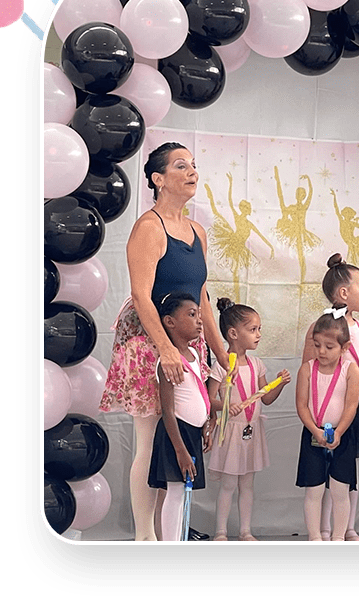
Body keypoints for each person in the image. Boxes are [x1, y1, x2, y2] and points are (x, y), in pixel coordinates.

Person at [99, 142, 231, 541]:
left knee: (175, 440)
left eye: (193, 165)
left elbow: (202, 297)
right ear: (158, 179)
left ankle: (167, 533)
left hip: (187, 347)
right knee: (149, 441)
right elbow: (142, 296)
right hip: (149, 345)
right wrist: (166, 349)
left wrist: (221, 350)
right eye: (180, 166)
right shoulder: (148, 228)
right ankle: (144, 537)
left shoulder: (198, 232)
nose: (191, 171)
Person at [301, 253, 359, 540]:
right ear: (344, 293)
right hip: (323, 411)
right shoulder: (318, 329)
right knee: (320, 474)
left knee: (347, 469)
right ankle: (321, 530)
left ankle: (347, 529)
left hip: (355, 406)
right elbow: (309, 371)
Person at [207, 298, 291, 541]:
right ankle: (220, 532)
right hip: (230, 433)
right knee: (228, 485)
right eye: (253, 329)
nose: (258, 335)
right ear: (233, 333)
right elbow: (208, 400)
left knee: (247, 485)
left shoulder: (257, 364)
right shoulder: (221, 367)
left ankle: (246, 531)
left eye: (259, 329)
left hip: (252, 432)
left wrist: (280, 384)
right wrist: (225, 405)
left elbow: (265, 399)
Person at [147, 293, 216, 542]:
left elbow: (197, 395)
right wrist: (180, 450)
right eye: (191, 314)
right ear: (169, 321)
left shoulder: (195, 355)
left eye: (199, 314)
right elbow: (168, 410)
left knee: (183, 494)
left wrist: (206, 425)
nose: (199, 320)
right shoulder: (169, 361)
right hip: (175, 434)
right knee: (175, 493)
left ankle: (178, 538)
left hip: (191, 433)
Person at [295, 305, 359, 541]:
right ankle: (315, 536)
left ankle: (338, 537)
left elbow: (351, 406)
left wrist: (339, 432)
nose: (321, 351)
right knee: (313, 490)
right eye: (317, 345)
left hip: (342, 436)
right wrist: (315, 430)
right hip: (313, 434)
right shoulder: (306, 369)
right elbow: (302, 406)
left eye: (329, 347)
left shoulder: (350, 369)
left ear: (345, 348)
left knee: (339, 490)